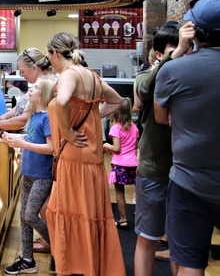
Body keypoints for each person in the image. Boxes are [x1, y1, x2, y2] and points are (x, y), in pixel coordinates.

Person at [45, 32, 124, 276]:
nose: (50, 61)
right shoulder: (91, 75)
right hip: (92, 158)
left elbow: (62, 101)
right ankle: (90, 266)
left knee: (66, 211)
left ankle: (73, 266)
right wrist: (92, 116)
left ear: (55, 53)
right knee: (89, 213)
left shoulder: (69, 74)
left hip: (74, 157)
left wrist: (68, 131)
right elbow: (117, 101)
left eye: (49, 56)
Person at [154, 0, 220, 275]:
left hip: (188, 181)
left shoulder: (173, 69)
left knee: (189, 263)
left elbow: (160, 117)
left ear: (193, 31)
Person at [133, 20, 180, 275]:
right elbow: (142, 90)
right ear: (159, 54)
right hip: (154, 170)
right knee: (148, 236)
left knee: (180, 243)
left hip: (184, 171)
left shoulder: (186, 75)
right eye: (175, 49)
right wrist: (170, 60)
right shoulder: (147, 75)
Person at [2, 76, 56, 274]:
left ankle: (59, 246)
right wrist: (15, 140)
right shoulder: (34, 115)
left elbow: (51, 147)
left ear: (44, 94)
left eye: (35, 88)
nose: (30, 89)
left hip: (42, 175)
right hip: (28, 173)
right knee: (24, 217)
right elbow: (32, 139)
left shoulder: (48, 117)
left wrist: (22, 143)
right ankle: (27, 260)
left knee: (30, 215)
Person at [0, 48, 54, 134]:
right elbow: (22, 106)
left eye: (22, 71)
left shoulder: (46, 86)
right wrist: (3, 117)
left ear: (34, 69)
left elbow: (24, 120)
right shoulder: (37, 85)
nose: (21, 75)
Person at [103, 97, 139, 229]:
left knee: (119, 192)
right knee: (138, 191)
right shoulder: (134, 127)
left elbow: (117, 148)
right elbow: (135, 146)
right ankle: (140, 218)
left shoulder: (115, 128)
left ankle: (123, 220)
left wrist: (106, 145)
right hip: (133, 164)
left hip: (120, 165)